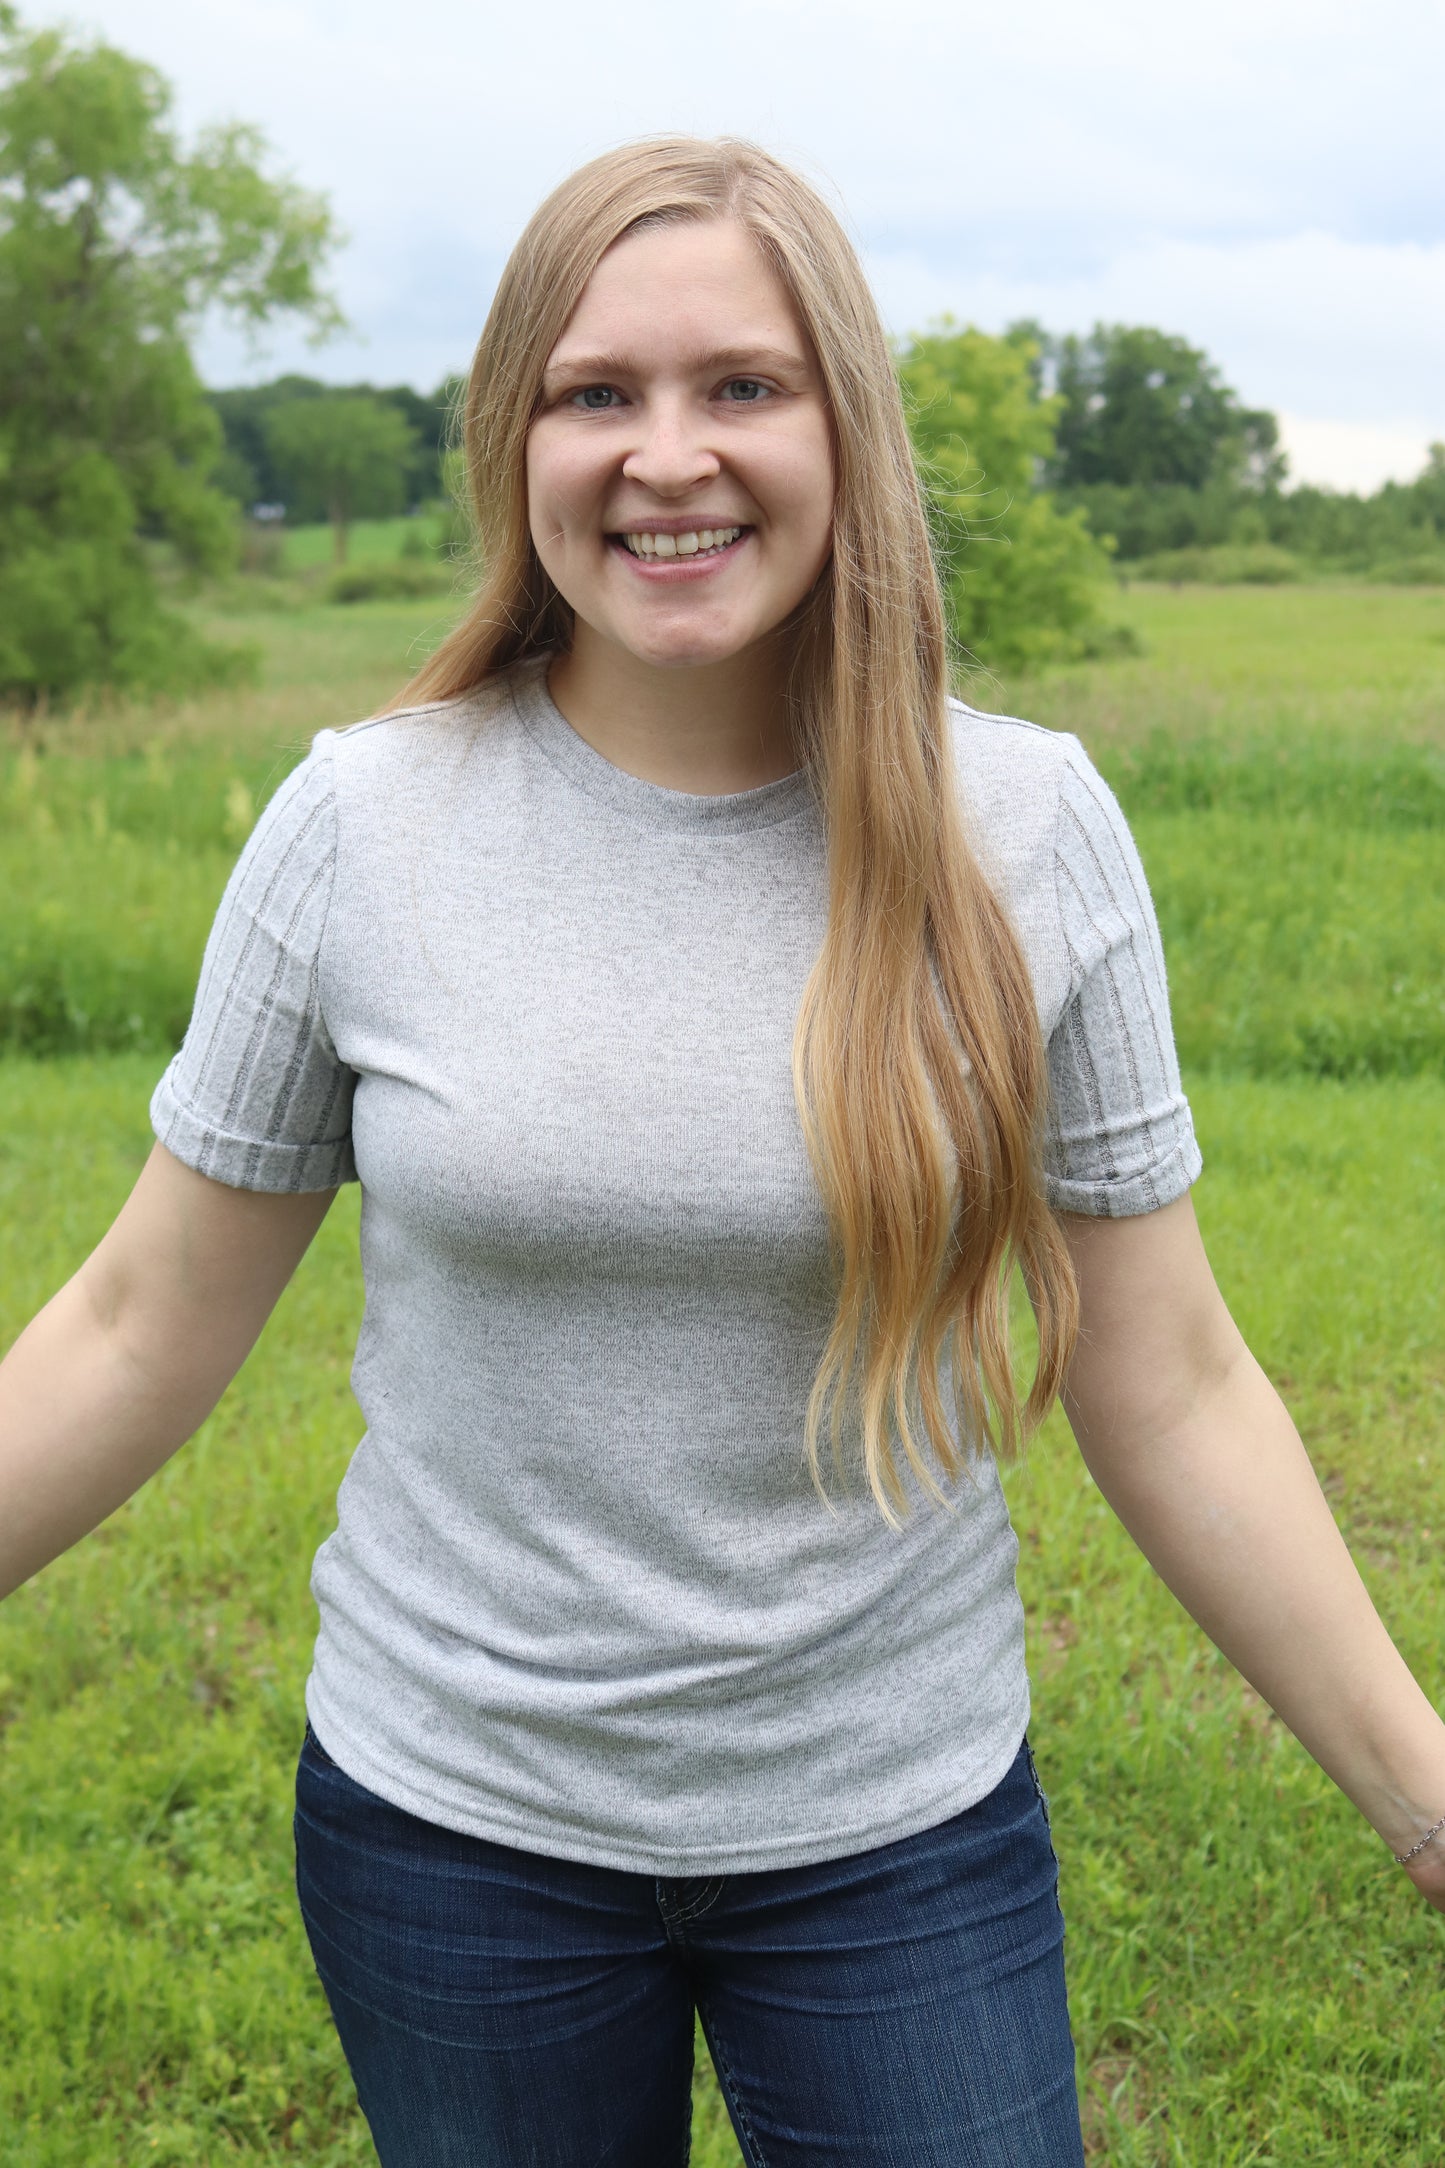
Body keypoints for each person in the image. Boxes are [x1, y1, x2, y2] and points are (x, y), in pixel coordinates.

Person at [1, 136, 1441, 2168]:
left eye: (740, 387)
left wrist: (1422, 1792)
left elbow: (1170, 1368)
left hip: (900, 1841)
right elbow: (138, 1318)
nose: (667, 454)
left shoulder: (1029, 834)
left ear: (843, 424)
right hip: (452, 1834)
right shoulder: (361, 829)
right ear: (517, 443)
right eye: (599, 394)